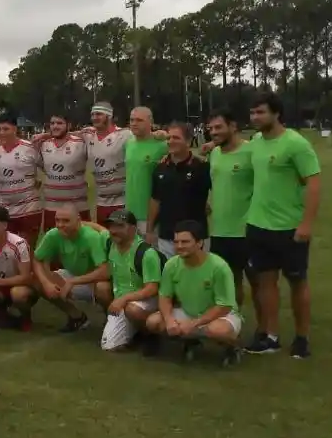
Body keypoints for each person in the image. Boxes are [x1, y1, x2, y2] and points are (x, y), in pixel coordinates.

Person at [243, 91, 321, 359]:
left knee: (297, 283)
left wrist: (306, 224)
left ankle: (302, 338)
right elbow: (237, 148)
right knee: (266, 283)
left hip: (289, 228)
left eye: (261, 112)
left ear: (276, 113)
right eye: (252, 113)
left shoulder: (295, 144)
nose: (255, 117)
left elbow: (313, 183)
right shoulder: (255, 141)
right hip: (258, 225)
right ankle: (271, 337)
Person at [145, 220, 243, 366]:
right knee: (153, 322)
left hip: (221, 315)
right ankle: (191, 341)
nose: (179, 246)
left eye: (185, 242)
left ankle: (232, 347)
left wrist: (193, 324)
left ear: (200, 243)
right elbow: (165, 296)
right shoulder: (171, 265)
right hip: (188, 312)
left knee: (218, 331)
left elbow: (224, 306)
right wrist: (169, 319)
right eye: (176, 242)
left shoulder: (219, 267)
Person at [82, 210, 166, 352]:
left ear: (133, 229)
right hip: (121, 300)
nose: (114, 231)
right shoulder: (110, 242)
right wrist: (79, 223)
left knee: (132, 310)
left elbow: (152, 288)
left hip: (146, 300)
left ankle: (150, 334)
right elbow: (99, 229)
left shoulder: (146, 253)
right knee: (108, 346)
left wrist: (125, 299)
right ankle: (128, 326)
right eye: (112, 226)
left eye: (120, 226)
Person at [34, 205, 111, 333]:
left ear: (78, 221)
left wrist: (73, 282)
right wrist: (46, 283)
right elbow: (37, 259)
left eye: (66, 221)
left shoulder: (91, 237)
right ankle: (77, 317)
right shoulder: (53, 235)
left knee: (104, 289)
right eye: (57, 220)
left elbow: (104, 271)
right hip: (73, 276)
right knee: (37, 280)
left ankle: (111, 319)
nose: (60, 225)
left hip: (94, 280)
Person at [206, 110, 253, 309]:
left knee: (258, 283)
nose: (213, 132)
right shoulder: (214, 153)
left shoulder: (252, 151)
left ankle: (266, 331)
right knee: (230, 283)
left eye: (218, 127)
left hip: (247, 230)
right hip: (218, 230)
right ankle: (234, 322)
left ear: (233, 127)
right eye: (211, 129)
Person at [146, 122, 211, 257]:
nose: (170, 141)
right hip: (167, 237)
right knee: (170, 275)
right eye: (168, 138)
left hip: (195, 238)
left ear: (188, 141)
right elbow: (155, 201)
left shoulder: (201, 167)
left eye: (176, 138)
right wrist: (149, 230)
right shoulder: (160, 168)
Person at [0, 114, 43, 247]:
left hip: (29, 207)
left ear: (15, 129)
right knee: (9, 249)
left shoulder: (30, 148)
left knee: (26, 248)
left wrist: (40, 180)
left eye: (6, 129)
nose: (2, 133)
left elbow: (47, 167)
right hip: (6, 208)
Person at [33, 114, 89, 226]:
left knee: (81, 241)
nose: (55, 126)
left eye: (59, 123)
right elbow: (40, 165)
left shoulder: (81, 143)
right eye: (52, 123)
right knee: (53, 241)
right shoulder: (43, 144)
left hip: (78, 205)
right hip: (51, 206)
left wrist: (45, 134)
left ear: (69, 125)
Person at [83, 102, 133, 222]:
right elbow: (65, 134)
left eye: (99, 114)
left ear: (109, 116)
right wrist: (44, 136)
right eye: (93, 114)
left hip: (122, 201)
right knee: (105, 238)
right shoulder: (88, 135)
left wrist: (159, 134)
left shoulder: (125, 135)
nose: (94, 117)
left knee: (122, 238)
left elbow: (145, 139)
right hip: (100, 202)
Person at [124, 107, 168, 235]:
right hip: (130, 213)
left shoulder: (163, 146)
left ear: (151, 122)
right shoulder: (129, 144)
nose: (134, 123)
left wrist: (166, 134)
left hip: (151, 215)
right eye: (132, 120)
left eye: (139, 120)